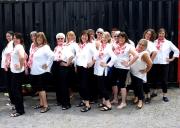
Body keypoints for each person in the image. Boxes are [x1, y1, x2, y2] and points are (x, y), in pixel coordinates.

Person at [111, 32, 138, 109]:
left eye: (123, 38)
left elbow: (136, 55)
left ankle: (123, 102)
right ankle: (115, 99)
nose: (121, 39)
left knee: (122, 85)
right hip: (115, 66)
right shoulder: (115, 45)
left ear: (125, 38)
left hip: (123, 68)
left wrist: (129, 63)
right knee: (113, 83)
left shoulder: (129, 46)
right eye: (119, 37)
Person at [151, 28, 179, 102]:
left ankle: (164, 95)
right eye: (160, 33)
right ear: (158, 34)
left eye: (163, 33)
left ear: (165, 34)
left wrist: (172, 59)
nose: (161, 35)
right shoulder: (154, 42)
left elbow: (176, 50)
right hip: (155, 63)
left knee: (164, 80)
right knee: (154, 79)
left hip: (164, 64)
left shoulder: (168, 43)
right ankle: (155, 92)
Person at [30, 32, 54, 113]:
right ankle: (41, 103)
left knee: (42, 89)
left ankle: (46, 106)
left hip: (41, 72)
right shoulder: (37, 47)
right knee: (39, 89)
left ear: (43, 39)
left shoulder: (45, 47)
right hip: (35, 71)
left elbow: (52, 56)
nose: (39, 39)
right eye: (37, 37)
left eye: (40, 38)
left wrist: (47, 64)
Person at [75, 30, 97, 112]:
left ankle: (88, 105)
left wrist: (92, 62)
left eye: (86, 36)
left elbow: (96, 54)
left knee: (85, 86)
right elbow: (76, 57)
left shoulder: (90, 45)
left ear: (88, 37)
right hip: (79, 67)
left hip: (86, 68)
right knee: (80, 86)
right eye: (82, 35)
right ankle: (84, 100)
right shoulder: (79, 45)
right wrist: (75, 66)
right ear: (80, 36)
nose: (84, 37)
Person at [94, 32, 116, 111]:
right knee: (100, 87)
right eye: (102, 37)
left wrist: (107, 65)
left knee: (102, 87)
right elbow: (96, 56)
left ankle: (108, 104)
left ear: (108, 38)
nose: (103, 38)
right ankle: (104, 101)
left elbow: (114, 58)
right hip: (97, 68)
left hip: (102, 70)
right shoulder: (100, 46)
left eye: (106, 37)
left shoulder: (108, 47)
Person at [53, 33, 74, 110]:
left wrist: (66, 64)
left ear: (64, 39)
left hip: (63, 67)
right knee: (58, 85)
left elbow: (71, 56)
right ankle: (60, 101)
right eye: (58, 38)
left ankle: (66, 104)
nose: (60, 40)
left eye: (61, 38)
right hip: (56, 66)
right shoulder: (56, 48)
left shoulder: (66, 47)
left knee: (64, 85)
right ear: (56, 40)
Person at [130, 39, 152, 109]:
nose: (141, 46)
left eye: (143, 45)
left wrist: (146, 70)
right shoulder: (136, 51)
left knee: (139, 88)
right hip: (133, 72)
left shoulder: (144, 53)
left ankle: (140, 101)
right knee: (134, 87)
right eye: (140, 44)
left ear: (145, 47)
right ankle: (136, 97)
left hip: (139, 74)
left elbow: (150, 64)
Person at [9, 32, 26, 117]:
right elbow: (26, 56)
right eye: (14, 38)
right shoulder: (17, 46)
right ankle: (19, 108)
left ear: (19, 39)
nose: (14, 39)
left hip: (17, 73)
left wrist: (20, 65)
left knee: (16, 91)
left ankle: (20, 111)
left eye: (16, 38)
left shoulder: (19, 46)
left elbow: (22, 57)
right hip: (15, 72)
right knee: (17, 91)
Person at [142, 28, 157, 103]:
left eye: (150, 35)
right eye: (147, 33)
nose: (148, 35)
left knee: (145, 81)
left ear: (151, 36)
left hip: (145, 64)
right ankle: (144, 95)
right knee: (143, 80)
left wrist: (149, 62)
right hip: (140, 63)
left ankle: (147, 96)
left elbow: (155, 53)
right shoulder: (142, 41)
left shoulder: (150, 43)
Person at [1, 31, 14, 107]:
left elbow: (10, 55)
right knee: (9, 84)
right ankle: (12, 100)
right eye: (7, 36)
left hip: (8, 67)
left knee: (10, 84)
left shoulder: (12, 44)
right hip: (6, 67)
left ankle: (13, 101)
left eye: (9, 36)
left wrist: (8, 65)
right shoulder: (8, 44)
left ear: (12, 36)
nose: (8, 37)